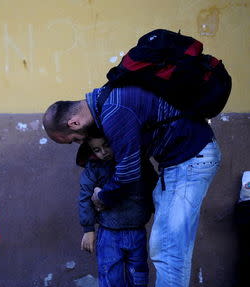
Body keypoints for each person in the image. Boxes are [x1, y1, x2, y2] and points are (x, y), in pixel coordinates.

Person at [43, 85, 221, 287]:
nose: (79, 142)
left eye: (74, 139)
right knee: (165, 247)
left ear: (74, 122)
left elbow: (128, 172)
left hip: (189, 160)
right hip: (180, 162)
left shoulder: (113, 112)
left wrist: (102, 198)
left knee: (168, 250)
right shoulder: (106, 100)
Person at [78, 137, 157, 287]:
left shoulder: (138, 162)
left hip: (137, 232)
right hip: (109, 234)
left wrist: (160, 215)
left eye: (107, 145)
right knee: (110, 278)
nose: (103, 152)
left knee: (138, 279)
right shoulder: (94, 167)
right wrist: (88, 230)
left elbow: (154, 188)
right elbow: (85, 196)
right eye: (97, 150)